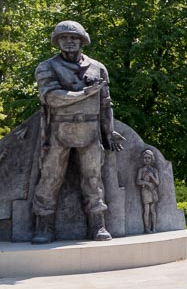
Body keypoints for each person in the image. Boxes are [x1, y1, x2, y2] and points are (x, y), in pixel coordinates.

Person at [32, 20, 126, 243]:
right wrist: (84, 93)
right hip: (59, 129)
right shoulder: (47, 67)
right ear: (57, 42)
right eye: (64, 38)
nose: (70, 41)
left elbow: (106, 104)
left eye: (74, 38)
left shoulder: (98, 67)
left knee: (93, 179)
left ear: (82, 40)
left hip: (91, 129)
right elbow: (52, 97)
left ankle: (98, 225)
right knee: (50, 177)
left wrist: (109, 131)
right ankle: (44, 226)